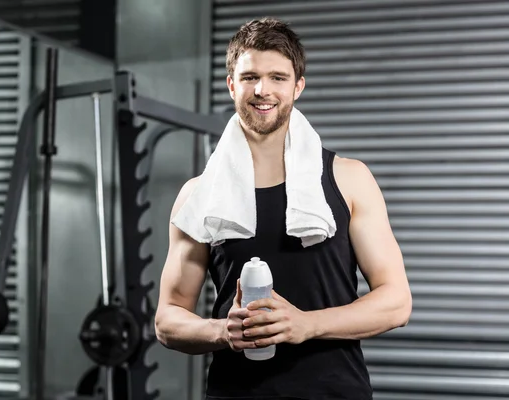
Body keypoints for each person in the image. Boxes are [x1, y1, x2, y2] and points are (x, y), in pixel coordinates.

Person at [154, 17, 412, 400]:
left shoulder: (349, 179)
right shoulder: (199, 195)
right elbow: (168, 318)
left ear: (298, 86)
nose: (263, 90)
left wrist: (306, 325)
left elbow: (395, 302)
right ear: (231, 85)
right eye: (249, 77)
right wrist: (222, 331)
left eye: (278, 77)